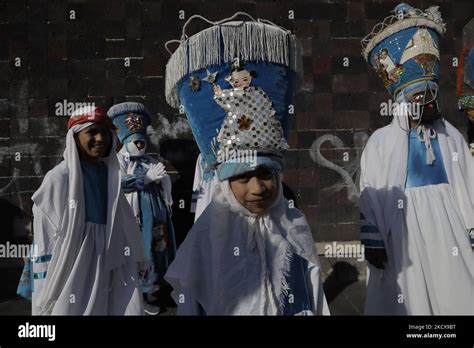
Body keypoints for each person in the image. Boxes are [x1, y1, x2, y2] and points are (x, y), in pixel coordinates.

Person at [163, 14, 329, 315]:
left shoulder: (293, 226)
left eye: (265, 174)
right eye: (242, 177)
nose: (257, 188)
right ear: (224, 184)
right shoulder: (206, 241)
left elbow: (311, 297)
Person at [360, 3, 474, 315]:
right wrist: (374, 240)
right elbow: (370, 191)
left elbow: (468, 179)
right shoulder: (381, 143)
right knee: (410, 296)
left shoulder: (450, 136)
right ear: (401, 102)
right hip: (403, 229)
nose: (427, 103)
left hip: (447, 224)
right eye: (418, 97)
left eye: (431, 95)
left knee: (454, 288)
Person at [29, 105, 147, 315]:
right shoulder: (59, 178)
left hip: (112, 258)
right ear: (74, 137)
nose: (100, 139)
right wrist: (44, 282)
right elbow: (45, 235)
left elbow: (122, 220)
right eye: (92, 132)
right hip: (75, 263)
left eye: (104, 132)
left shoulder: (109, 175)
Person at [108, 102, 176, 314]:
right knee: (136, 253)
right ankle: (135, 296)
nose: (140, 146)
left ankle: (148, 291)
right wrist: (145, 179)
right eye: (136, 142)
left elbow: (161, 180)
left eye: (142, 142)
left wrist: (162, 181)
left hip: (154, 217)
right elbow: (118, 183)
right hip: (133, 216)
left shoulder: (148, 160)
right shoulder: (117, 161)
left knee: (154, 251)